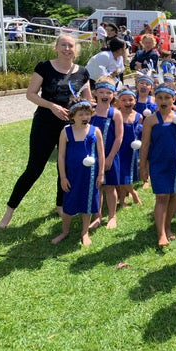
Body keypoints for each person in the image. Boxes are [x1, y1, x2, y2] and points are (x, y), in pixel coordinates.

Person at [0, 35, 91, 228]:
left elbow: (87, 100)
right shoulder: (44, 67)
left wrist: (89, 105)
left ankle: (60, 205)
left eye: (71, 45)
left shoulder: (82, 72)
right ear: (56, 47)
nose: (67, 49)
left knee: (65, 168)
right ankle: (9, 211)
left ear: (77, 49)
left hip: (70, 127)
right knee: (34, 169)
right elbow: (30, 94)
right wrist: (52, 106)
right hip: (45, 123)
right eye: (63, 45)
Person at [139, 84, 176, 247]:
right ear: (155, 99)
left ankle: (167, 226)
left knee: (173, 196)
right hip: (158, 164)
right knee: (162, 197)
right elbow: (145, 144)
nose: (163, 101)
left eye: (167, 98)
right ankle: (161, 233)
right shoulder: (151, 120)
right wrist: (143, 167)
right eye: (160, 98)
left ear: (173, 99)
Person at [51, 99, 105, 245]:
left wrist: (100, 174)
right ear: (73, 116)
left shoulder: (95, 131)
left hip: (90, 176)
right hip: (72, 175)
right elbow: (61, 156)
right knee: (69, 203)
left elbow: (101, 154)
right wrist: (63, 177)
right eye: (81, 114)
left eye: (87, 114)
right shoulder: (66, 131)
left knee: (87, 203)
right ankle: (65, 231)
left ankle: (85, 232)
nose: (84, 117)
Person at [89, 76, 123, 229]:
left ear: (113, 95)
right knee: (97, 186)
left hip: (110, 155)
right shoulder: (90, 112)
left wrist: (109, 158)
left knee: (109, 187)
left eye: (108, 92)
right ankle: (97, 216)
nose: (104, 95)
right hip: (93, 155)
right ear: (95, 93)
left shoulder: (115, 114)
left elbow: (119, 137)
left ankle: (112, 216)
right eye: (101, 92)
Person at [115, 88, 143, 207]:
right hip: (119, 148)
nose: (127, 102)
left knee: (127, 174)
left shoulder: (139, 116)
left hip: (131, 150)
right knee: (121, 174)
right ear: (118, 102)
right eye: (124, 100)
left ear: (135, 101)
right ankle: (130, 194)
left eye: (130, 100)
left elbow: (140, 132)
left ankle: (127, 194)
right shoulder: (116, 115)